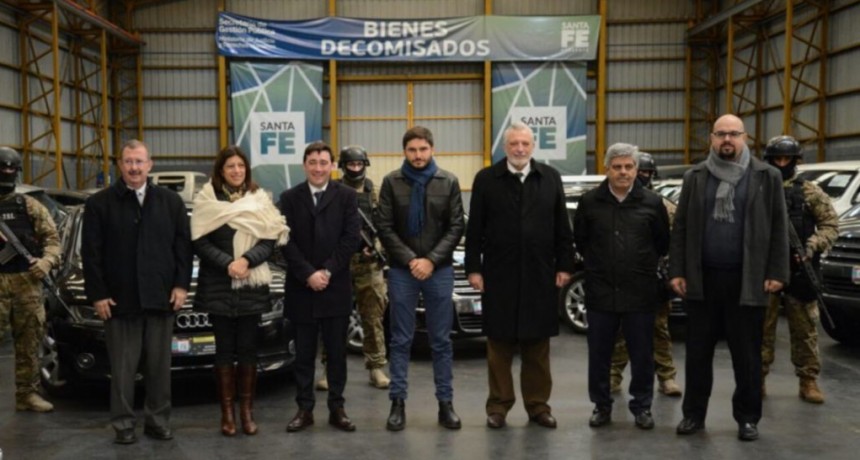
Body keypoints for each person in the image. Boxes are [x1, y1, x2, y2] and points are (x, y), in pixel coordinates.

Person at [669, 114, 789, 441]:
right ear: (711, 138)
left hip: (747, 280)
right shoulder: (695, 176)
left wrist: (777, 272)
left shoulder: (767, 176)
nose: (727, 139)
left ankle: (747, 418)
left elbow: (779, 227)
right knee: (697, 354)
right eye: (721, 134)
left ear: (744, 138)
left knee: (747, 355)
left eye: (733, 134)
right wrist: (677, 270)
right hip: (702, 280)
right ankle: (693, 415)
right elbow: (681, 227)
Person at [82, 139, 193, 444]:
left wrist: (181, 285)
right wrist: (98, 294)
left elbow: (183, 248)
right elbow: (90, 254)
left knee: (159, 369)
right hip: (120, 301)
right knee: (122, 370)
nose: (134, 167)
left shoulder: (170, 202)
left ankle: (157, 422)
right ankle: (124, 425)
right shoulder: (99, 204)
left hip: (161, 298)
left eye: (139, 161)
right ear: (120, 164)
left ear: (150, 165)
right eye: (128, 161)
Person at [465, 122, 574, 430]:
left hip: (540, 274)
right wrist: (474, 268)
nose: (520, 149)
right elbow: (474, 229)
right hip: (499, 274)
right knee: (498, 345)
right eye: (514, 143)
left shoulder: (550, 178)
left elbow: (562, 227)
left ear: (533, 146)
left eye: (525, 143)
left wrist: (565, 265)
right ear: (505, 147)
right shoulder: (486, 179)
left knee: (537, 346)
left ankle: (538, 406)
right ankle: (498, 406)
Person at [191, 146, 289, 436]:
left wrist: (246, 260)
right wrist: (228, 264)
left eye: (241, 166)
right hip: (218, 285)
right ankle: (227, 415)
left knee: (248, 351)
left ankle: (246, 412)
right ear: (221, 171)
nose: (236, 171)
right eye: (230, 166)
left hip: (251, 286)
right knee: (223, 352)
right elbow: (199, 240)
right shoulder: (207, 200)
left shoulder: (259, 200)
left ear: (246, 169)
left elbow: (269, 238)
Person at [574, 143, 670, 430]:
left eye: (629, 167)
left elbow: (662, 243)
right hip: (601, 291)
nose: (623, 172)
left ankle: (642, 406)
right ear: (607, 169)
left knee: (642, 355)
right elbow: (581, 241)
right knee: (599, 355)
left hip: (640, 292)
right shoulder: (590, 202)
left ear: (637, 170)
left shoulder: (652, 203)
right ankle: (601, 406)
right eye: (617, 167)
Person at [375, 125, 465, 431]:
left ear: (432, 149)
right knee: (400, 340)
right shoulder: (391, 182)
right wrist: (412, 260)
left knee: (441, 341)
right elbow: (384, 227)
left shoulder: (448, 181)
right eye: (412, 150)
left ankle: (445, 404)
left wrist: (431, 260)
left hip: (439, 271)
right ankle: (397, 403)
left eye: (423, 149)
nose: (418, 155)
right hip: (403, 271)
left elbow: (456, 226)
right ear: (404, 151)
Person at [280, 141, 360, 433]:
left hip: (334, 286)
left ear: (333, 166)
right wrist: (308, 274)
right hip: (301, 288)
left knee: (337, 354)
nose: (318, 168)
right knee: (303, 355)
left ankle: (337, 408)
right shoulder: (289, 198)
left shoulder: (347, 197)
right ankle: (304, 409)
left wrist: (326, 271)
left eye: (324, 162)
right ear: (304, 165)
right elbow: (285, 242)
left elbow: (351, 239)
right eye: (312, 162)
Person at [761, 135, 837, 404]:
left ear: (796, 161)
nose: (782, 163)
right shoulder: (760, 189)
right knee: (761, 327)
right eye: (777, 159)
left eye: (787, 159)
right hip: (766, 268)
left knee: (804, 328)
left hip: (801, 267)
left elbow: (830, 224)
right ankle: (757, 377)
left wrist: (813, 245)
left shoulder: (810, 192)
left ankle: (808, 380)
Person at [609, 152, 683, 397]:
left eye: (646, 172)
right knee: (622, 330)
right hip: (624, 279)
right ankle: (613, 375)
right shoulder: (616, 202)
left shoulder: (662, 205)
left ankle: (667, 377)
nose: (642, 176)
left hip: (655, 278)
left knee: (659, 330)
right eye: (639, 171)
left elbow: (676, 242)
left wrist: (671, 274)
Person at [0, 146, 61, 413]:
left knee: (29, 342)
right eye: (3, 168)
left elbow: (53, 240)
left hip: (26, 283)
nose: (7, 173)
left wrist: (46, 262)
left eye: (10, 168)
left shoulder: (29, 206)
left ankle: (27, 395)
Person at [336, 145, 390, 389]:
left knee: (373, 317)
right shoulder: (334, 191)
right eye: (351, 164)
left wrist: (376, 247)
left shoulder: (374, 192)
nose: (356, 168)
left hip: (368, 264)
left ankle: (376, 367)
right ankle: (329, 368)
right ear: (343, 166)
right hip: (339, 263)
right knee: (334, 318)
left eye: (359, 164)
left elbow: (384, 225)